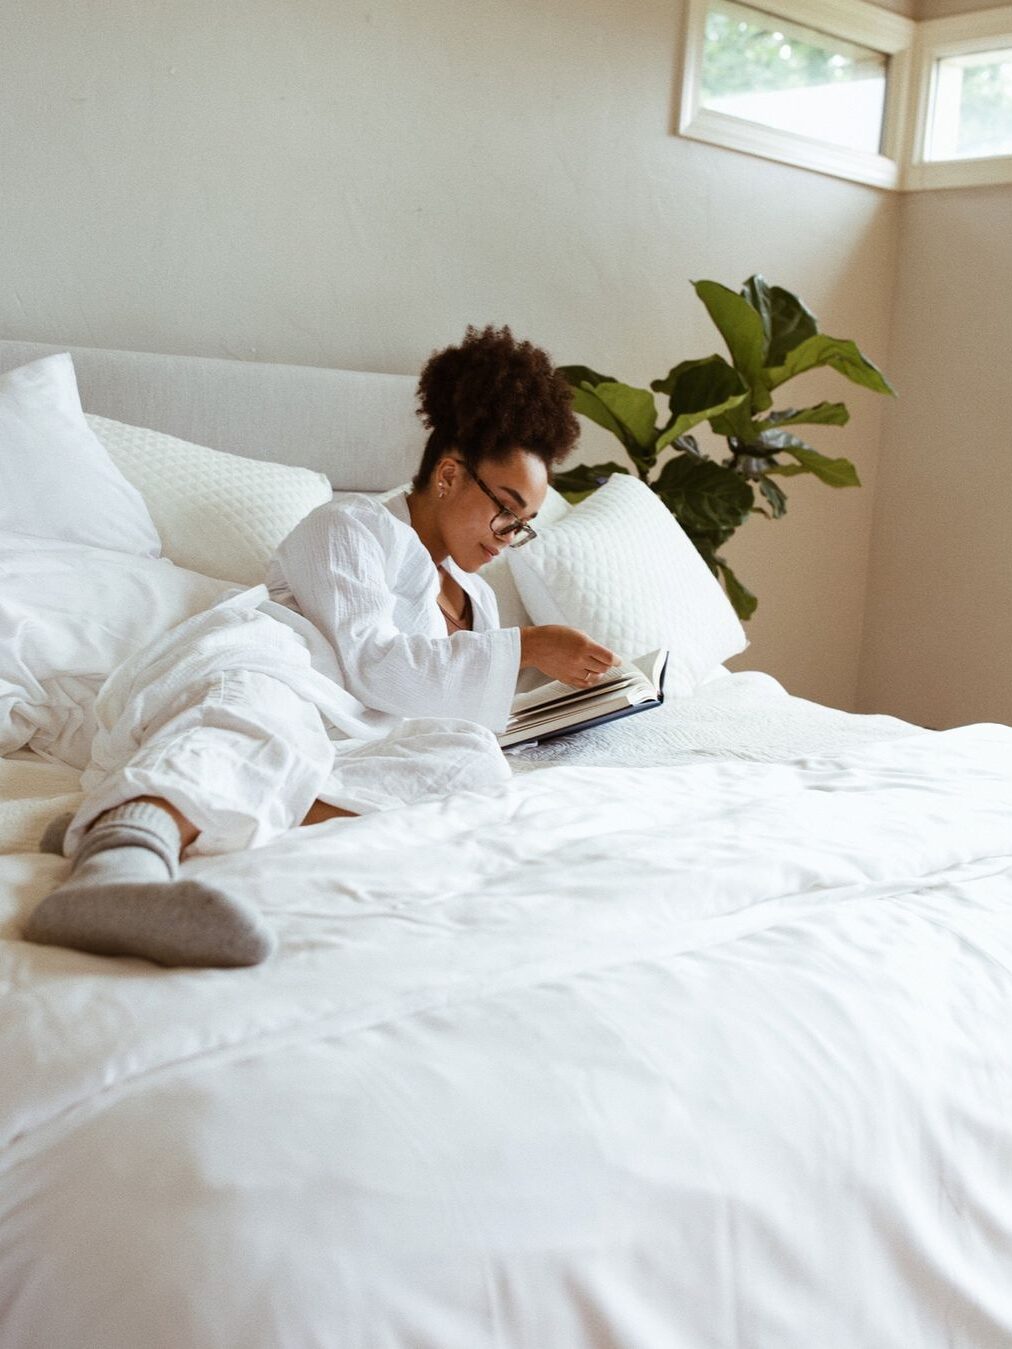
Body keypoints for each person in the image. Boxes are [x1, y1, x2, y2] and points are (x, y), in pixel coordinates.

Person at [23, 326, 618, 969]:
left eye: (523, 526)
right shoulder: (349, 527)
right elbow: (373, 665)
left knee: (470, 766)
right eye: (507, 510)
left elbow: (446, 710)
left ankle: (154, 808)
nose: (508, 537)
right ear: (449, 474)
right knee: (268, 727)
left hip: (351, 735)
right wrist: (525, 646)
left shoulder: (479, 598)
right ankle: (113, 871)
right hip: (277, 671)